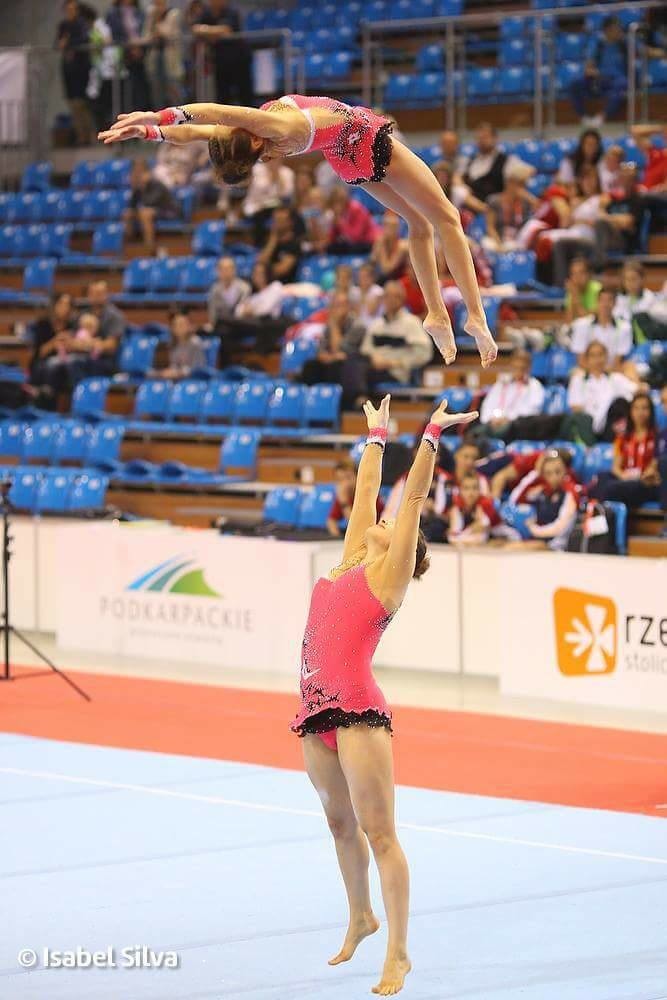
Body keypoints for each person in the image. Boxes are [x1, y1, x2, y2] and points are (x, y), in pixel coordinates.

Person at [291, 393, 477, 996]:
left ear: (402, 548)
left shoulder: (387, 575)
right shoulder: (352, 557)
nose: (382, 518)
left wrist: (430, 436)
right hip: (314, 710)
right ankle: (360, 917)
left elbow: (413, 497)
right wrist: (376, 434)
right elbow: (367, 489)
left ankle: (398, 952)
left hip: (357, 714)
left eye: (393, 526)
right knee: (338, 825)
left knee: (381, 835)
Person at [98, 96, 499, 368]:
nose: (231, 122)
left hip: (344, 160)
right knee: (448, 218)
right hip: (365, 138)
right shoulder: (272, 125)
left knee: (419, 223)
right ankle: (476, 317)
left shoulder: (249, 141)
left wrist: (150, 132)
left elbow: (195, 131)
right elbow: (211, 110)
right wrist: (158, 115)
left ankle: (436, 314)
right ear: (253, 139)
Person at [590, 393, 661, 509]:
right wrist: (624, 477)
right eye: (636, 408)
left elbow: (654, 466)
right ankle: (601, 511)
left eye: (644, 408)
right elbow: (615, 467)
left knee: (612, 488)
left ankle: (600, 512)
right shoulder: (622, 438)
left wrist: (640, 477)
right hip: (625, 480)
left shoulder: (658, 437)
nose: (640, 412)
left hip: (645, 483)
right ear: (631, 411)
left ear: (651, 412)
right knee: (602, 477)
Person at [360, 282, 432, 389]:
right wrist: (373, 358)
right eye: (386, 296)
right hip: (372, 366)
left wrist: (393, 363)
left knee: (358, 371)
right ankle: (359, 397)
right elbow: (365, 349)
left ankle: (358, 397)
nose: (390, 300)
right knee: (348, 364)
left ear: (402, 299)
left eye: (395, 296)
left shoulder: (412, 323)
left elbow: (424, 353)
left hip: (395, 372)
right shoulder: (376, 324)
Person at [301, 292, 365, 407]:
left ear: (348, 307)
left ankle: (341, 404)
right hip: (332, 360)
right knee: (310, 366)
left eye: (342, 305)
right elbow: (320, 351)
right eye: (336, 305)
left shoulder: (357, 325)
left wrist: (334, 324)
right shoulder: (328, 325)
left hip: (350, 365)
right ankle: (308, 404)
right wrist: (330, 357)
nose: (339, 309)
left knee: (338, 366)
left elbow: (339, 348)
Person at [567, 341, 636, 444]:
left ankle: (621, 442)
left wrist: (633, 374)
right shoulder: (579, 380)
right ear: (587, 359)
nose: (597, 360)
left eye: (600, 355)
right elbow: (575, 407)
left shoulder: (615, 378)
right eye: (593, 356)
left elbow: (637, 390)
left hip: (608, 426)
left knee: (621, 403)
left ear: (606, 357)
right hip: (588, 426)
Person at [192, 0, 253, 106]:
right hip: (220, 60)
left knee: (244, 94)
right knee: (223, 96)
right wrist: (214, 33)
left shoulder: (232, 11)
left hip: (239, 59)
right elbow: (195, 29)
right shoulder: (207, 13)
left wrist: (207, 32)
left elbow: (226, 30)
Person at [570, 16, 627, 126]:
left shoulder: (624, 43)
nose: (619, 32)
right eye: (615, 29)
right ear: (606, 30)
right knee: (575, 83)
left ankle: (602, 117)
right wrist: (592, 71)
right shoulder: (597, 44)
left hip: (617, 79)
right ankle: (583, 117)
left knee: (622, 83)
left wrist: (659, 52)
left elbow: (644, 50)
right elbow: (589, 65)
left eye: (619, 29)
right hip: (599, 78)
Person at [479, 348, 545, 440]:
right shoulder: (502, 383)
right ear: (511, 366)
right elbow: (488, 404)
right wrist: (491, 419)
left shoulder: (535, 386)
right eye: (515, 367)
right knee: (475, 434)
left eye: (522, 368)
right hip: (493, 424)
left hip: (516, 427)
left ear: (529, 368)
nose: (518, 371)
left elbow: (532, 411)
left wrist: (508, 419)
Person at [460, 122, 533, 203]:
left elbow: (529, 170)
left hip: (493, 203)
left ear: (495, 138)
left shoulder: (506, 160)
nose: (481, 141)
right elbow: (458, 176)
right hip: (470, 201)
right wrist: (462, 185)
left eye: (485, 137)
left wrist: (511, 185)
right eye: (479, 138)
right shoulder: (470, 159)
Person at [523, 452, 579, 551]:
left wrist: (533, 529)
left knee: (515, 548)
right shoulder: (544, 491)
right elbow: (521, 497)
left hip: (555, 545)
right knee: (500, 543)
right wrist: (536, 473)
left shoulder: (570, 493)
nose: (554, 477)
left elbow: (559, 528)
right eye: (548, 473)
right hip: (539, 539)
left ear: (565, 470)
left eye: (558, 471)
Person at [593, 162, 644, 267]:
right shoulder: (613, 200)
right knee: (600, 224)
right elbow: (599, 216)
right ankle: (599, 262)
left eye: (629, 178)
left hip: (626, 241)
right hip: (609, 237)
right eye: (623, 177)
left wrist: (608, 219)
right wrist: (616, 220)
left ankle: (599, 266)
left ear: (634, 180)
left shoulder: (638, 200)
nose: (625, 181)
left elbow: (628, 222)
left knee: (601, 223)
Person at [124, 158, 180, 254]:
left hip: (168, 211)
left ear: (147, 172)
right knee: (127, 213)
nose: (138, 175)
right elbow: (132, 205)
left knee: (145, 214)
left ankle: (149, 248)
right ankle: (131, 243)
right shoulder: (139, 186)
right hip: (152, 211)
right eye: (136, 172)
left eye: (140, 172)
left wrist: (143, 186)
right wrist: (135, 188)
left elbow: (150, 202)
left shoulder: (157, 184)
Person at [56, 0, 93, 146]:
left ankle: (87, 135)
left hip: (81, 69)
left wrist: (68, 42)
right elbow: (58, 43)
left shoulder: (81, 25)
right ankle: (80, 135)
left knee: (81, 103)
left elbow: (83, 40)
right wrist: (63, 43)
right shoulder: (63, 25)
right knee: (72, 103)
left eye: (73, 9)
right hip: (68, 68)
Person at [570, 287, 632, 369]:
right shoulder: (581, 325)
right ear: (597, 302)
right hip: (587, 370)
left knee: (630, 368)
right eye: (602, 300)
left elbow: (618, 362)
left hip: (613, 371)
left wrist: (606, 374)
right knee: (576, 372)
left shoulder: (625, 327)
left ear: (615, 303)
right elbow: (581, 361)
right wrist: (596, 373)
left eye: (609, 300)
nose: (605, 304)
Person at [326, 458, 384, 537]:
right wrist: (336, 537)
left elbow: (359, 527)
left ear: (358, 476)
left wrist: (344, 503)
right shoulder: (345, 495)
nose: (345, 483)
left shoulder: (368, 494)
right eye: (340, 480)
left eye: (348, 478)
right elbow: (331, 521)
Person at [446, 472, 505, 546]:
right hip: (477, 537)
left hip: (503, 535)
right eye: (466, 488)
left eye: (474, 488)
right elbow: (453, 533)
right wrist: (458, 536)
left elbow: (482, 529)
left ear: (479, 490)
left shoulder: (485, 503)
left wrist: (460, 537)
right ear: (460, 490)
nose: (471, 493)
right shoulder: (457, 506)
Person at [144, 0, 184, 108]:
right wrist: (154, 20)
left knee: (173, 87)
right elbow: (147, 36)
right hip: (155, 55)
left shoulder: (173, 13)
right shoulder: (150, 14)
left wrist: (156, 22)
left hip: (170, 57)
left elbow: (168, 33)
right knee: (156, 89)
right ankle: (159, 114)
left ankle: (179, 115)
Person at [326, 186, 379, 254]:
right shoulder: (338, 214)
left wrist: (341, 224)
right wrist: (334, 223)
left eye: (339, 202)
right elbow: (331, 238)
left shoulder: (356, 209)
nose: (336, 207)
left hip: (369, 241)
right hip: (355, 244)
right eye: (334, 203)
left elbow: (356, 236)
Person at [156, 309, 207, 378]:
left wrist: (179, 372)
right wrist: (170, 371)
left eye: (182, 324)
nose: (179, 328)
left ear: (189, 326)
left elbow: (198, 368)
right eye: (176, 325)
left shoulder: (195, 343)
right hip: (178, 379)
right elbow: (174, 365)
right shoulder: (172, 344)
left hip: (194, 379)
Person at [613, 261, 657, 342]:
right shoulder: (618, 299)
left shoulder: (649, 297)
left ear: (642, 279)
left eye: (634, 279)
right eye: (627, 280)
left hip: (646, 342)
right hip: (622, 341)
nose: (630, 283)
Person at [257, 206, 302, 283]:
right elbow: (260, 261)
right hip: (268, 285)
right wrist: (273, 239)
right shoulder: (269, 241)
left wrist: (265, 270)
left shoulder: (294, 244)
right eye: (275, 220)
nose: (276, 223)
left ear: (290, 222)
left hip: (287, 285)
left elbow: (281, 270)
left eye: (280, 220)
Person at [207, 256, 250, 331]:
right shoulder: (214, 289)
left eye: (229, 268)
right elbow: (212, 313)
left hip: (240, 325)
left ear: (234, 270)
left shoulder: (244, 288)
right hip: (221, 327)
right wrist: (212, 324)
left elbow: (243, 311)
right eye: (222, 269)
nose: (226, 271)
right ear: (218, 271)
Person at [370, 212, 409, 283]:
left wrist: (382, 246)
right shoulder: (379, 241)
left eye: (392, 227)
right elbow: (372, 261)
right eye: (385, 225)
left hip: (402, 281)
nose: (389, 229)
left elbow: (387, 270)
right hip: (387, 280)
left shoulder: (402, 246)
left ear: (398, 228)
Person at [564, 256, 602, 324]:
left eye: (581, 273)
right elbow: (569, 322)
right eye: (573, 273)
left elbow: (587, 319)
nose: (577, 277)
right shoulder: (572, 291)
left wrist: (575, 296)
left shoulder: (599, 290)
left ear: (589, 274)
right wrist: (573, 296)